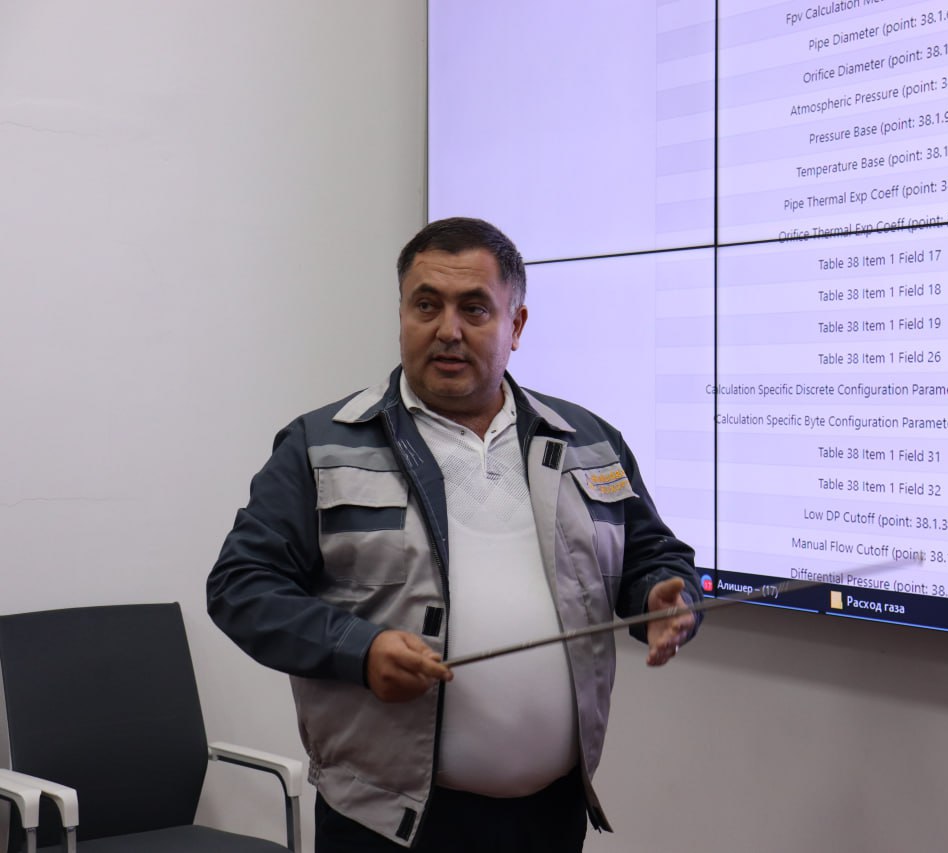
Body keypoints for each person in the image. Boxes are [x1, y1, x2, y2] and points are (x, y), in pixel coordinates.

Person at [207, 217, 701, 852]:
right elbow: (241, 587)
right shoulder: (320, 445)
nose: (447, 329)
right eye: (426, 305)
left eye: (474, 308)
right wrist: (360, 649)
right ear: (402, 314)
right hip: (385, 827)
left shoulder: (587, 440)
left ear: (516, 325)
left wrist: (664, 594)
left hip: (549, 819)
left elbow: (651, 554)